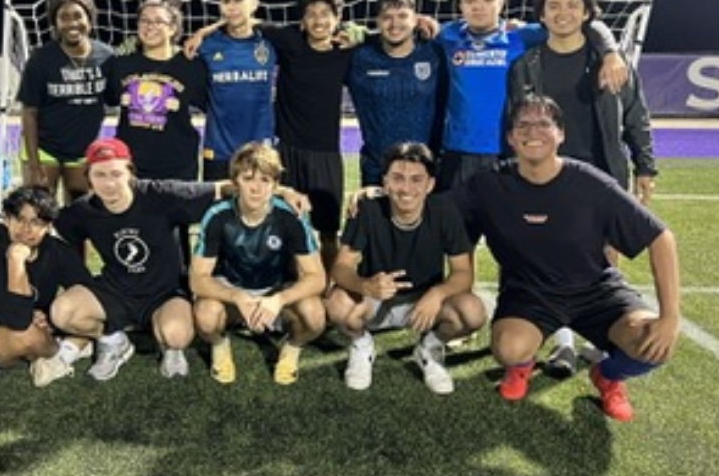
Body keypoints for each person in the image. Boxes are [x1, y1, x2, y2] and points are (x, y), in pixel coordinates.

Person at [451, 94, 681, 422]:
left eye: (544, 123)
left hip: (597, 292)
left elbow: (661, 238)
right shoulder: (488, 185)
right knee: (508, 348)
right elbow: (434, 211)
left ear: (561, 134)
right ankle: (521, 366)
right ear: (510, 137)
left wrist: (670, 317)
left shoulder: (590, 183)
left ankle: (609, 376)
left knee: (656, 345)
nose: (533, 132)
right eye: (523, 125)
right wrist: (376, 194)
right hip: (529, 296)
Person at [46, 136, 309, 383]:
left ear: (130, 172)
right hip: (116, 290)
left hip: (165, 292)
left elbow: (222, 188)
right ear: (89, 179)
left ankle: (168, 346)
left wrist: (281, 191)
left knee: (177, 335)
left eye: (116, 173)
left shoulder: (162, 195)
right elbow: (50, 232)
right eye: (100, 175)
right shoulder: (83, 210)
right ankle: (113, 341)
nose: (109, 183)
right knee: (63, 312)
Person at [507, 0, 659, 377]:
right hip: (545, 178)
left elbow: (635, 116)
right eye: (553, 5)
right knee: (548, 257)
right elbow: (515, 120)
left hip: (604, 174)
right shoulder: (526, 64)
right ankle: (563, 345)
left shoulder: (611, 61)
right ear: (541, 13)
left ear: (588, 12)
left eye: (573, 5)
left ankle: (599, 340)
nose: (563, 13)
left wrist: (645, 165)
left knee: (605, 259)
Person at [434, 0, 626, 192]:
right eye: (470, 0)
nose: (478, 7)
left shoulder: (522, 35)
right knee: (455, 226)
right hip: (458, 150)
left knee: (506, 226)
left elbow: (586, 25)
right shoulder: (447, 36)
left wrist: (611, 52)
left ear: (501, 1)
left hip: (509, 150)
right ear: (460, 4)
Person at [327, 141, 485, 393]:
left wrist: (438, 293)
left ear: (430, 184)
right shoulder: (368, 210)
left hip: (424, 303)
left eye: (416, 179)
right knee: (336, 303)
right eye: (398, 178)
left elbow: (463, 272)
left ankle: (430, 347)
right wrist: (365, 285)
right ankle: (361, 345)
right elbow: (341, 267)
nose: (406, 188)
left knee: (473, 311)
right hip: (375, 300)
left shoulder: (445, 211)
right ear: (385, 182)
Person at [189, 142, 327, 385]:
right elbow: (198, 278)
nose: (256, 188)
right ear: (235, 182)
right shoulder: (218, 216)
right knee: (205, 315)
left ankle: (292, 347)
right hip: (232, 290)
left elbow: (317, 277)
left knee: (315, 316)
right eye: (248, 178)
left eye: (265, 180)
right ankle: (220, 346)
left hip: (276, 289)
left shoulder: (289, 217)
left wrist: (278, 300)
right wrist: (237, 297)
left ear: (275, 185)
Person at [103, 0, 209, 265]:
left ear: (173, 28)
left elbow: (213, 104)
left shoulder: (192, 66)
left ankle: (180, 288)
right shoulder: (120, 65)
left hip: (176, 162)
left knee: (176, 232)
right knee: (133, 228)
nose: (149, 27)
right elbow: (103, 98)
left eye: (158, 21)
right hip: (134, 162)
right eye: (144, 21)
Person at [0, 185, 94, 386]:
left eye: (36, 222)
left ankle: (61, 350)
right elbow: (17, 320)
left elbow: (87, 291)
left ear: (48, 226)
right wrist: (15, 260)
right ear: (7, 220)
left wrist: (52, 320)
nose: (26, 229)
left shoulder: (57, 251)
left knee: (92, 313)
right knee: (27, 336)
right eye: (19, 219)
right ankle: (67, 351)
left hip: (37, 323)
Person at [19, 0, 113, 204]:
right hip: (44, 149)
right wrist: (34, 165)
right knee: (38, 212)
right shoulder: (41, 59)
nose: (72, 23)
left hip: (83, 150)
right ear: (55, 23)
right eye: (64, 17)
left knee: (79, 218)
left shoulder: (106, 57)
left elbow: (114, 98)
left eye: (78, 16)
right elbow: (29, 112)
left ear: (90, 19)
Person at [346, 0, 448, 187]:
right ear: (377, 21)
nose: (394, 24)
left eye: (402, 16)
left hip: (425, 169)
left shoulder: (435, 54)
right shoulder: (359, 57)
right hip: (377, 171)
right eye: (387, 17)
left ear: (415, 19)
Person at [192, 0, 277, 182]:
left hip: (261, 150)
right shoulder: (206, 45)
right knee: (218, 213)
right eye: (225, 0)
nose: (232, 7)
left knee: (260, 213)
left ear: (255, 2)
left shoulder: (272, 42)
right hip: (218, 152)